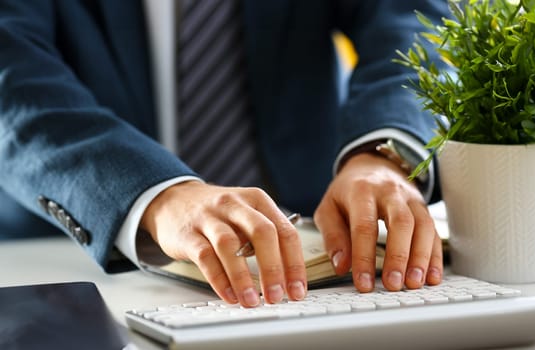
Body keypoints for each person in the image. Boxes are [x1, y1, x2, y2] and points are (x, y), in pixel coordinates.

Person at [0, 0, 447, 307]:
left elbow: (411, 19)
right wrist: (158, 193)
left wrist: (382, 153)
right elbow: (12, 71)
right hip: (64, 259)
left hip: (316, 259)